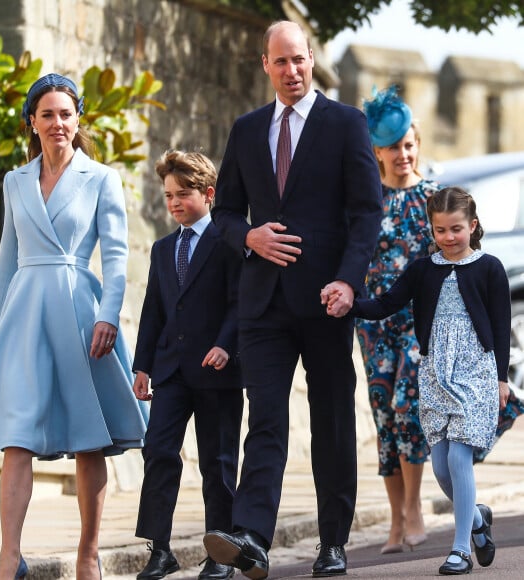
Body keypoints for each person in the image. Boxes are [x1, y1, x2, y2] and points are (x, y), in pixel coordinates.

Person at [203, 20, 383, 579]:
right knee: (267, 422)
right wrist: (248, 236)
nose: (292, 71)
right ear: (266, 66)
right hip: (263, 303)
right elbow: (226, 212)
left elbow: (366, 213)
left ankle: (332, 542)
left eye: (300, 60)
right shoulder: (247, 129)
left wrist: (349, 282)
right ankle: (252, 535)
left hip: (328, 300)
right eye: (280, 62)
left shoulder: (346, 124)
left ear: (311, 59)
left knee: (330, 423)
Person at [0, 73, 149, 580]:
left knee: (90, 439)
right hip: (23, 316)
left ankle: (88, 554)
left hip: (81, 315)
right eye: (47, 114)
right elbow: (6, 261)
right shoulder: (14, 181)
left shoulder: (101, 178)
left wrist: (109, 314)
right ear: (32, 122)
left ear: (78, 119)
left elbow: (115, 255)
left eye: (66, 113)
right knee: (16, 437)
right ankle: (8, 557)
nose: (58, 123)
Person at [329, 186, 509, 575]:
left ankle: (460, 549)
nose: (448, 237)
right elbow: (385, 304)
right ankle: (476, 519)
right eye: (440, 230)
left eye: (456, 229)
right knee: (442, 468)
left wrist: (501, 381)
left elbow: (499, 324)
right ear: (432, 229)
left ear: (472, 226)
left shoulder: (490, 267)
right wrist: (349, 304)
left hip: (476, 370)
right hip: (434, 373)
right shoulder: (422, 269)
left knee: (460, 457)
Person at [132, 150, 243, 580]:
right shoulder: (162, 249)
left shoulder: (229, 242)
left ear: (208, 194)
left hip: (217, 371)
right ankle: (159, 550)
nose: (174, 202)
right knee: (158, 451)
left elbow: (240, 303)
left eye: (183, 194)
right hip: (171, 372)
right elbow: (153, 311)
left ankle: (221, 552)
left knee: (218, 463)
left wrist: (225, 346)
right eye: (168, 196)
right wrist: (143, 366)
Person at [357, 85, 437, 554]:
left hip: (418, 322)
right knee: (385, 416)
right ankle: (393, 521)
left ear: (417, 146)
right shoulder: (365, 202)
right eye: (393, 146)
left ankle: (415, 508)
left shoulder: (434, 198)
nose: (402, 154)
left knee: (409, 409)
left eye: (409, 144)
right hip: (373, 325)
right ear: (377, 151)